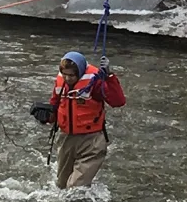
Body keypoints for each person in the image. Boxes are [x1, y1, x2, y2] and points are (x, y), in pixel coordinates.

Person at [31, 51, 126, 189]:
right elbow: (55, 107)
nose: (68, 78)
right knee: (61, 186)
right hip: (66, 139)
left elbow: (118, 101)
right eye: (65, 74)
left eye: (72, 75)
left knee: (75, 187)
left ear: (80, 72)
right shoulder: (60, 82)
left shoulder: (95, 81)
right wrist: (44, 117)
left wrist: (109, 76)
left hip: (91, 141)